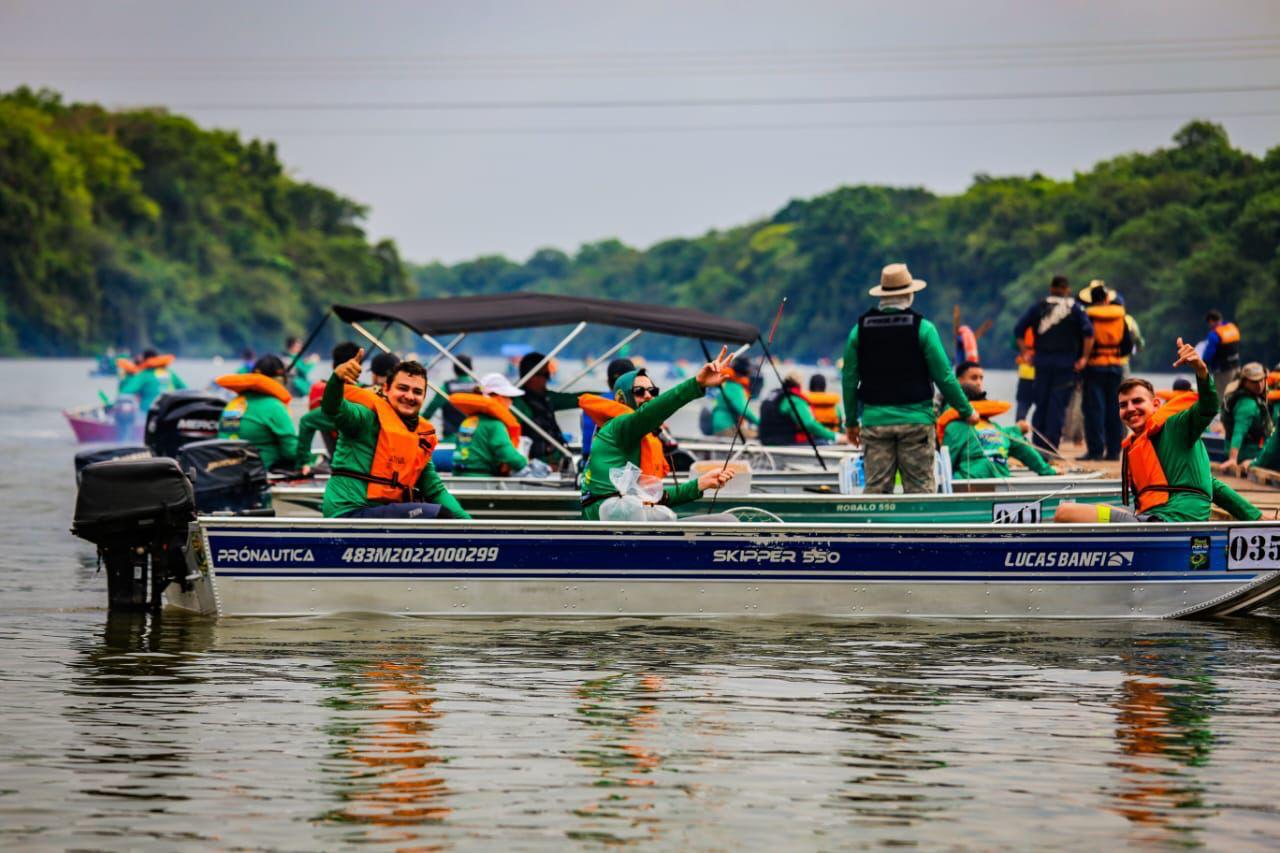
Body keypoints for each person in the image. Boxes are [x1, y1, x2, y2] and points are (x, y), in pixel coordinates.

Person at [842, 263, 977, 494]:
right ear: (909, 295)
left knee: (876, 490)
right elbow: (944, 377)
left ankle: (874, 529)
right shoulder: (923, 328)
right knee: (920, 490)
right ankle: (920, 529)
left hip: (875, 423)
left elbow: (848, 380)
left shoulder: (859, 330)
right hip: (916, 423)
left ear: (882, 296)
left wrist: (852, 422)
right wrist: (966, 411)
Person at [1055, 337, 1218, 523]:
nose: (1130, 408)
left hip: (1169, 521)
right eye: (1123, 405)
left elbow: (1208, 408)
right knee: (1106, 508)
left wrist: (1201, 370)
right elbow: (1214, 486)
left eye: (1137, 401)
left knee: (1064, 512)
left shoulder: (1176, 426)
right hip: (1155, 517)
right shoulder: (1140, 443)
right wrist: (1253, 516)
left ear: (1156, 404)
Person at [581, 352, 737, 520]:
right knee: (727, 521)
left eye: (653, 391)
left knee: (728, 520)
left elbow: (657, 498)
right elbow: (653, 411)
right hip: (612, 527)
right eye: (639, 391)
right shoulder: (619, 427)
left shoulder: (634, 436)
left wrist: (700, 483)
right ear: (621, 399)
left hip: (627, 521)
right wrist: (696, 384)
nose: (648, 396)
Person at [320, 348, 469, 520]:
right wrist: (337, 380)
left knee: (437, 508)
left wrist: (471, 526)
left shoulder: (418, 438)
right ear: (386, 389)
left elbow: (435, 489)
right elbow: (333, 408)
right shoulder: (365, 417)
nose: (409, 396)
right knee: (438, 514)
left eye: (417, 392)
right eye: (403, 388)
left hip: (381, 514)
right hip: (348, 513)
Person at [1013, 275, 1094, 452]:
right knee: (1057, 407)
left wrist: (1025, 352)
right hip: (1066, 365)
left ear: (1051, 288)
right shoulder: (1075, 308)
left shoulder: (1039, 306)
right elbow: (1089, 333)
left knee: (1041, 405)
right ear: (1067, 289)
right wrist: (1084, 358)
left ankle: (1037, 446)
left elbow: (1018, 329)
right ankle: (1051, 449)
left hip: (1041, 363)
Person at [939, 361, 1056, 479]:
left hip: (970, 477)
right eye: (974, 378)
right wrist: (1047, 470)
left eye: (981, 378)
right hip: (1001, 474)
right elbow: (1024, 450)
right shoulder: (994, 427)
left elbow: (947, 463)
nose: (978, 383)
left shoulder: (953, 427)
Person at [216, 355, 299, 471]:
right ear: (279, 381)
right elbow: (292, 452)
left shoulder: (235, 404)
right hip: (261, 471)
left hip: (230, 470)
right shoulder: (274, 407)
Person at [1078, 280, 1132, 461]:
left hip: (1094, 366)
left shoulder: (1088, 316)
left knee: (1094, 410)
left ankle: (1095, 451)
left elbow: (1083, 340)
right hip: (1115, 366)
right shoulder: (1121, 317)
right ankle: (1114, 451)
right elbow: (1127, 345)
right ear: (1107, 299)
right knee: (1114, 409)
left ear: (1092, 300)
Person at [297, 342, 363, 471]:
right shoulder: (366, 393)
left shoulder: (321, 391)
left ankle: (303, 465)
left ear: (334, 365)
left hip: (341, 460)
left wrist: (302, 463)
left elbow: (306, 421)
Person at [452, 373, 530, 477]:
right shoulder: (495, 425)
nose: (511, 402)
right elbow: (507, 453)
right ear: (498, 398)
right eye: (510, 397)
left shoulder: (469, 421)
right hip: (482, 479)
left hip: (459, 476)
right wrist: (525, 464)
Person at [511, 351, 579, 468]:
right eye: (546, 375)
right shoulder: (516, 404)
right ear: (531, 376)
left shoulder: (547, 398)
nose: (548, 380)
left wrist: (609, 396)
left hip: (557, 460)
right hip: (537, 464)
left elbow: (575, 399)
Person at [758, 373, 844, 445]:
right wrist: (837, 436)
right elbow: (809, 424)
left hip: (767, 439)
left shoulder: (775, 397)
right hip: (788, 441)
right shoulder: (797, 401)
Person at [1221, 362, 1274, 475]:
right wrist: (1233, 459)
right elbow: (1239, 432)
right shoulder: (1247, 405)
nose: (1259, 385)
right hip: (1248, 453)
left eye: (1261, 380)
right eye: (1254, 382)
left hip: (1251, 449)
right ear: (1244, 382)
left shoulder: (1254, 398)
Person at [422, 355, 479, 440]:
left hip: (451, 438)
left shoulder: (446, 388)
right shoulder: (479, 388)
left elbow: (428, 413)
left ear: (454, 369)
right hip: (474, 439)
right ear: (471, 368)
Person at [117, 350, 186, 415]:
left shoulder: (144, 375)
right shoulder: (170, 373)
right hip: (168, 411)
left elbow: (125, 392)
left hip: (148, 412)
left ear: (145, 361)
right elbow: (185, 389)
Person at [708, 355, 759, 437]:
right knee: (760, 436)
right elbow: (743, 409)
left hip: (720, 426)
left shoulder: (728, 382)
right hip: (726, 427)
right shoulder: (734, 386)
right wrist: (760, 423)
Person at [1201, 310, 1241, 405]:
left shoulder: (1214, 335)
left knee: (1223, 395)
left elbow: (1209, 353)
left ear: (1211, 321)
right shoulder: (1232, 327)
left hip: (1222, 371)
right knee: (1236, 392)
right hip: (1237, 367)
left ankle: (1223, 417)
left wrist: (1202, 364)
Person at [1014, 327, 1036, 422]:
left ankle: (1018, 433)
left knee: (1022, 408)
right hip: (1043, 374)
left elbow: (1014, 344)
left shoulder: (1024, 328)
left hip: (1025, 374)